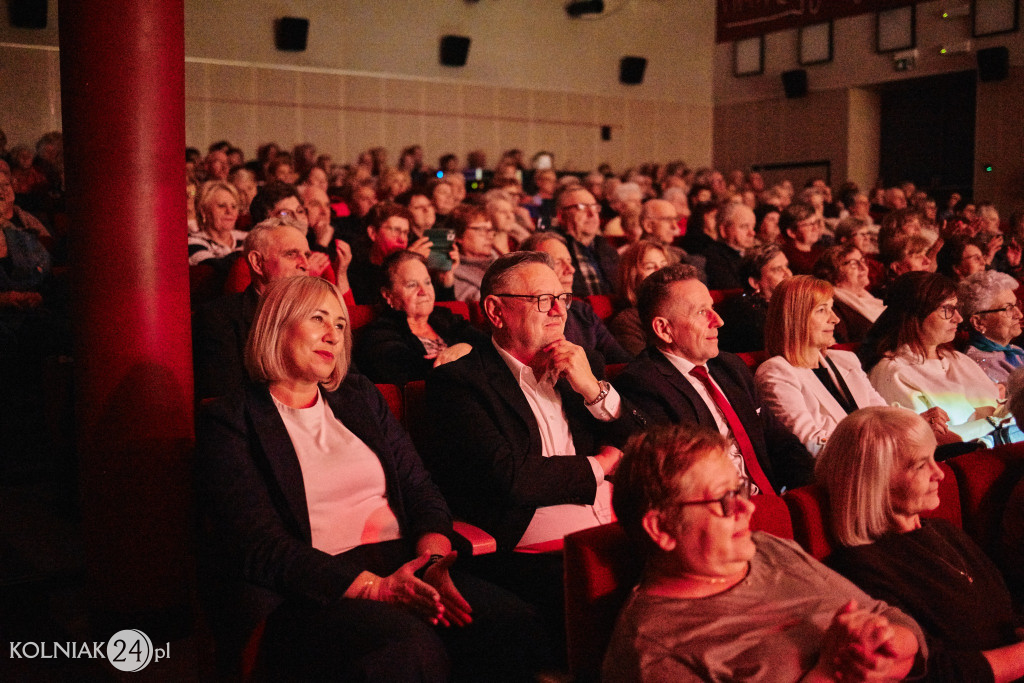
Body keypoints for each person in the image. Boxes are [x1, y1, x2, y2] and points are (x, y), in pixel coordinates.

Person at [195, 275, 550, 681]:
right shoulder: (231, 419)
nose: (333, 335)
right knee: (406, 651)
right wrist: (373, 588)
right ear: (276, 324)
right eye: (318, 319)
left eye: (342, 325)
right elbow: (257, 543)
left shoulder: (360, 396)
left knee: (511, 623)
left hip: (407, 565)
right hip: (316, 587)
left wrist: (433, 562)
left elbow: (420, 489)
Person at [422, 252, 646, 632]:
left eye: (562, 299)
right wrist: (602, 465)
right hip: (535, 551)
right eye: (543, 300)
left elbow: (643, 441)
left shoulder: (581, 362)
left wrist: (592, 389)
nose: (559, 311)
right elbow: (514, 477)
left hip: (618, 527)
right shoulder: (461, 382)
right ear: (495, 311)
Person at [603, 423, 925, 682]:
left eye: (739, 490)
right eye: (724, 500)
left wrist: (890, 646)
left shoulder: (768, 548)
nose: (746, 507)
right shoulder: (651, 653)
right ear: (662, 529)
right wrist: (829, 672)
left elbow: (887, 616)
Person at [817, 407, 1024, 683]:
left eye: (934, 458)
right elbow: (935, 672)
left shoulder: (942, 530)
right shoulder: (859, 569)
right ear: (874, 482)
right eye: (919, 465)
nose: (939, 473)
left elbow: (1003, 620)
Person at [614, 264, 815, 494]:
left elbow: (782, 444)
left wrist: (809, 494)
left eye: (712, 308)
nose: (718, 321)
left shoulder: (731, 367)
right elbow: (686, 479)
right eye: (701, 312)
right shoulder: (643, 383)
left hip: (773, 499)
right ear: (664, 329)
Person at [861, 271, 1014, 444]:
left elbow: (998, 407)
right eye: (947, 310)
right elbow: (928, 440)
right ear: (915, 315)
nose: (958, 318)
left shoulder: (956, 358)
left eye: (956, 308)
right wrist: (1001, 422)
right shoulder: (892, 372)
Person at [755, 276, 891, 455]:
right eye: (822, 310)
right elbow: (811, 441)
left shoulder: (846, 360)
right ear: (796, 319)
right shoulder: (777, 372)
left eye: (831, 308)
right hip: (841, 467)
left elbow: (884, 415)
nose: (835, 319)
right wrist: (870, 452)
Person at [192, 217, 317, 400]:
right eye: (291, 254)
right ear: (258, 262)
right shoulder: (218, 318)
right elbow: (227, 401)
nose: (304, 264)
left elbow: (342, 383)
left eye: (306, 255)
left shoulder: (319, 315)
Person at [354, 251, 488, 385]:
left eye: (427, 282)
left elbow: (491, 347)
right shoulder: (379, 334)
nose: (424, 291)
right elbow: (410, 373)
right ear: (388, 295)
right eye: (412, 285)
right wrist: (466, 356)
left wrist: (466, 348)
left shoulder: (446, 317)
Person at [521, 232, 632, 365]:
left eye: (569, 261)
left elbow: (622, 362)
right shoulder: (527, 319)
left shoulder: (582, 312)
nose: (571, 269)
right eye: (557, 263)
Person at [716, 242, 792, 353]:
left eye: (786, 266)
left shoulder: (790, 302)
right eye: (777, 269)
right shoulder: (745, 311)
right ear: (755, 282)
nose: (788, 274)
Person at [958, 270, 1024, 385]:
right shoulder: (979, 365)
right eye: (1008, 308)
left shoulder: (1015, 350)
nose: (1019, 315)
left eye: (1016, 305)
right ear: (979, 323)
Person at [608, 241, 671, 357]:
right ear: (632, 275)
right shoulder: (627, 321)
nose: (661, 272)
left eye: (664, 265)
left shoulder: (679, 309)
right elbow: (642, 368)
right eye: (650, 267)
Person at [814, 243, 885, 343]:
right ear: (834, 275)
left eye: (863, 261)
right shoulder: (834, 308)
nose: (864, 267)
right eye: (853, 264)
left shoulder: (871, 298)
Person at [557, 187, 620, 297]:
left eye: (594, 207)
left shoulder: (608, 249)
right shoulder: (554, 250)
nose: (592, 213)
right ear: (562, 216)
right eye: (582, 207)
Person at [188, 180, 245, 266]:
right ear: (203, 211)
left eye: (233, 206)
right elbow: (218, 268)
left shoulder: (247, 238)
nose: (230, 211)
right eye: (222, 206)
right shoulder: (192, 243)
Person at [704, 202, 756, 290]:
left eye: (753, 227)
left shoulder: (753, 254)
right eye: (744, 227)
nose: (752, 233)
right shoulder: (715, 259)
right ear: (723, 230)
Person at [450, 204, 496, 302]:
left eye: (491, 230)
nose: (490, 236)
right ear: (458, 236)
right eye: (481, 230)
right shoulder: (454, 271)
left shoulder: (498, 262)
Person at [780, 201, 824, 275]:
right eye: (808, 224)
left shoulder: (821, 252)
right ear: (791, 232)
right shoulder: (787, 257)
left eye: (816, 222)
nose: (815, 228)